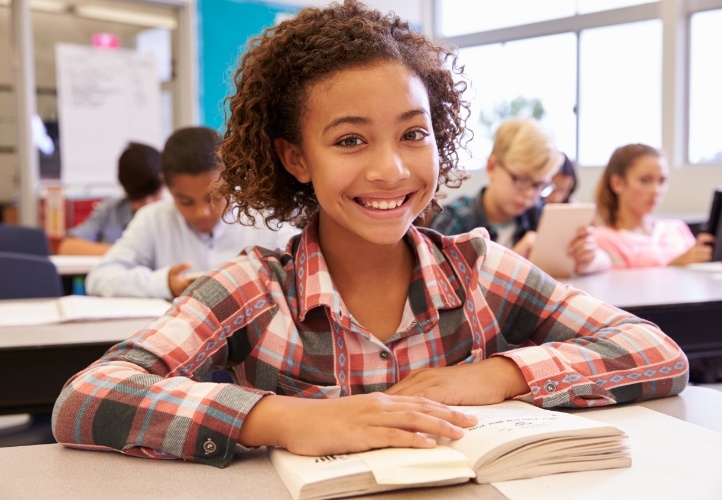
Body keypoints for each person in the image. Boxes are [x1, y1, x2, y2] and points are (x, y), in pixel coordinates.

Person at [53, 0, 687, 468]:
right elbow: (85, 399)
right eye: (350, 140)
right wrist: (280, 418)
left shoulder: (479, 272)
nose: (391, 169)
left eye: (414, 134)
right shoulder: (252, 290)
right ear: (296, 159)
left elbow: (657, 354)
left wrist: (499, 375)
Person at [84, 126, 298, 299]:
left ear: (231, 179)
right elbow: (100, 277)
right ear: (166, 186)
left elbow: (307, 267)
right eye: (185, 201)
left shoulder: (264, 216)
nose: (201, 213)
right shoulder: (152, 219)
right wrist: (163, 284)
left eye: (213, 198)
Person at [427, 118, 609, 275]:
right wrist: (513, 259)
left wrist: (590, 259)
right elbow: (437, 283)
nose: (530, 194)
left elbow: (604, 261)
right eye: (522, 180)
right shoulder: (456, 220)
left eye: (539, 185)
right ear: (492, 167)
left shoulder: (540, 216)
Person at [594, 143, 714, 268]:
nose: (656, 190)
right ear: (618, 183)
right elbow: (616, 285)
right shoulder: (603, 239)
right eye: (645, 180)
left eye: (661, 181)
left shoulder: (676, 228)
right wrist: (675, 265)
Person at [57, 142, 164, 255]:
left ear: (164, 183)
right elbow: (68, 246)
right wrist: (126, 253)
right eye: (139, 198)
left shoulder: (170, 215)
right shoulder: (111, 210)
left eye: (154, 194)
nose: (148, 202)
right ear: (125, 190)